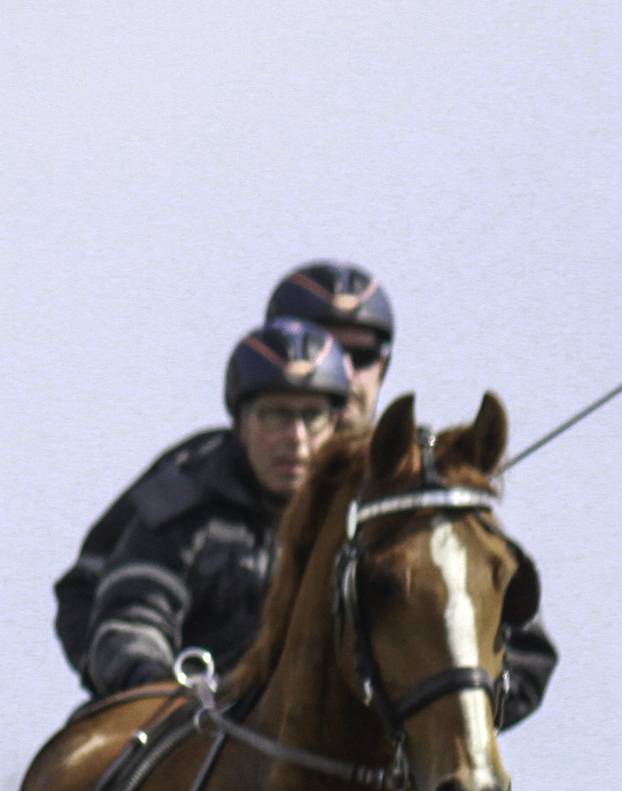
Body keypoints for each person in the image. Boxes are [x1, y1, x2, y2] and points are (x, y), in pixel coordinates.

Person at [53, 261, 396, 688]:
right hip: (197, 708)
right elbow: (105, 596)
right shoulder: (194, 482)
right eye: (276, 414)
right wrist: (150, 687)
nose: (338, 365)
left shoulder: (406, 493)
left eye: (359, 355)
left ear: (384, 365)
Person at [265, 260, 395, 430]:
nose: (346, 374)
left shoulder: (419, 447)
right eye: (320, 355)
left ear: (383, 369)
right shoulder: (229, 448)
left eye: (362, 357)